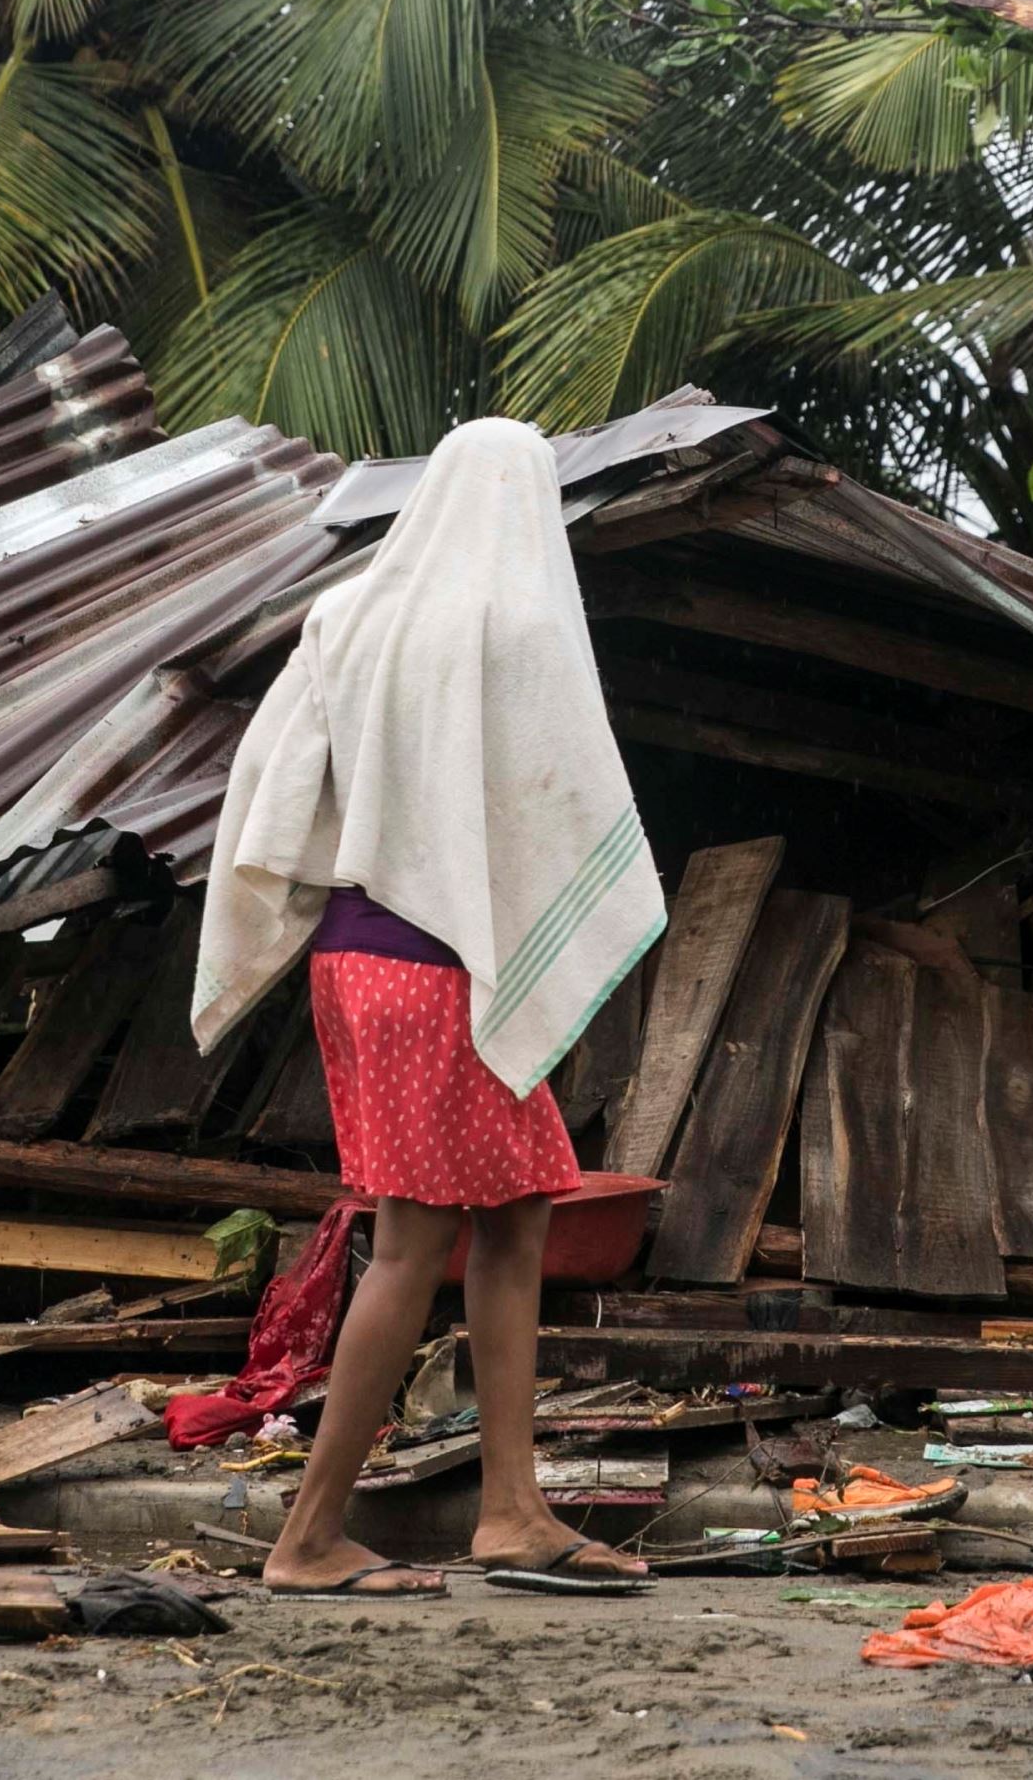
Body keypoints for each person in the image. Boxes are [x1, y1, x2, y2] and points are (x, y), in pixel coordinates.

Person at [189, 416, 668, 1596]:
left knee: (513, 1219)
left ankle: (512, 1507)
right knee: (411, 1244)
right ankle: (307, 1537)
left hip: (356, 961)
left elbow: (277, 783)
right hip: (443, 966)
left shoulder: (351, 616)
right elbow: (556, 798)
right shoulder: (518, 624)